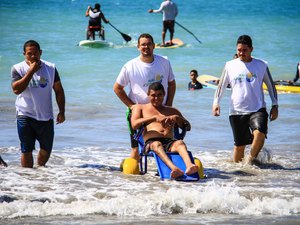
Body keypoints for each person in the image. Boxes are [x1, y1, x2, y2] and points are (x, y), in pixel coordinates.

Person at [212, 35, 278, 164]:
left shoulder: (261, 65)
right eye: (239, 50)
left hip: (257, 108)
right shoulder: (230, 65)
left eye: (244, 50)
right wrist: (216, 103)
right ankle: (239, 173)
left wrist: (275, 105)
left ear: (251, 49)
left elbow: (271, 85)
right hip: (236, 110)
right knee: (239, 147)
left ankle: (250, 160)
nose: (241, 53)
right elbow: (221, 86)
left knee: (260, 134)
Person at [113, 33, 176, 161]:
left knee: (170, 142)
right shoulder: (130, 66)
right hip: (140, 113)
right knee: (136, 150)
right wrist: (132, 106)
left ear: (154, 46)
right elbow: (117, 88)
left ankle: (172, 167)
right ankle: (134, 171)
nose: (146, 47)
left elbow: (171, 83)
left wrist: (168, 104)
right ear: (138, 47)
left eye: (148, 44)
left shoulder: (164, 61)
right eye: (143, 44)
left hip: (161, 109)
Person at [11, 40, 66, 168]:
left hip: (45, 116)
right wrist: (31, 71)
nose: (33, 56)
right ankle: (27, 178)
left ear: (40, 53)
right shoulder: (18, 68)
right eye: (29, 54)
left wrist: (62, 111)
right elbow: (16, 89)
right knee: (26, 149)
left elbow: (59, 90)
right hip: (24, 114)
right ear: (24, 54)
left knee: (46, 150)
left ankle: (40, 173)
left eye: (35, 53)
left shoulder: (51, 68)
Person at [131, 82, 198, 178]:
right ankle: (174, 168)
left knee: (180, 143)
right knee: (157, 144)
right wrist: (154, 118)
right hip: (151, 143)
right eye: (153, 95)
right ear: (148, 94)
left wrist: (178, 119)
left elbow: (188, 127)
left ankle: (190, 166)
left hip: (169, 142)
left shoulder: (172, 110)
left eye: (159, 95)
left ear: (164, 94)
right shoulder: (140, 108)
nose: (157, 98)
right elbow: (134, 125)